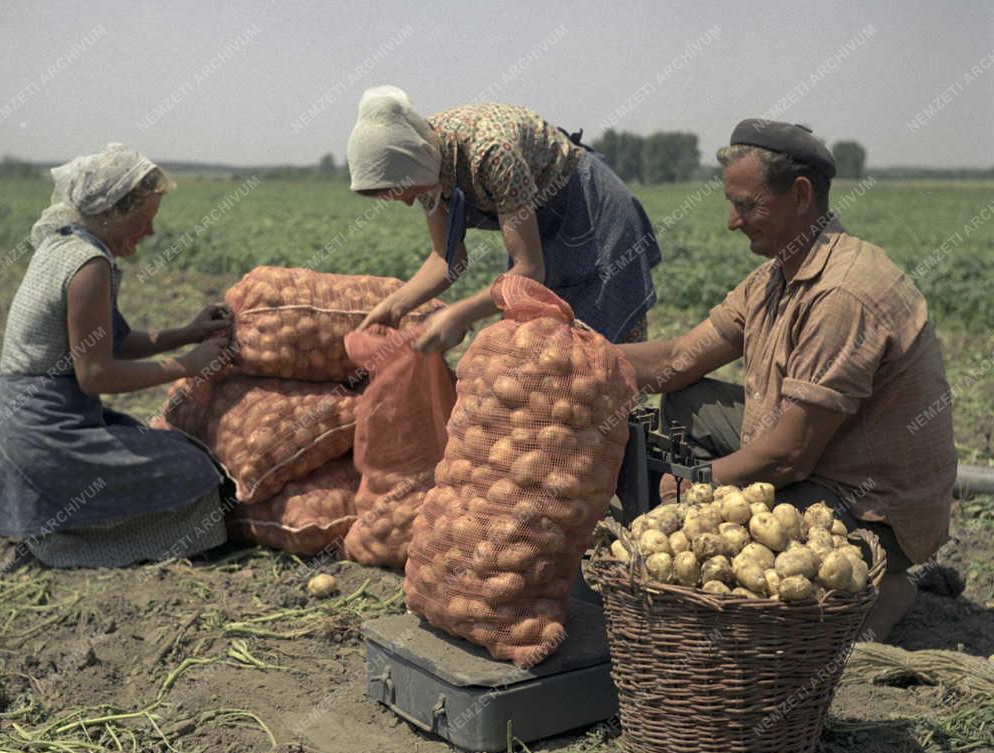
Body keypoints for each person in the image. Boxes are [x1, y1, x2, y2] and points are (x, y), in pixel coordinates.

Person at [617, 119, 957, 641]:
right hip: (817, 451)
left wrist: (700, 487)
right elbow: (682, 357)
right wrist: (581, 354)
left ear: (800, 196)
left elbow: (790, 455)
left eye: (747, 205)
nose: (733, 221)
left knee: (751, 561)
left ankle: (880, 587)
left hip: (871, 502)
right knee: (689, 398)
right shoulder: (777, 273)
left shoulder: (843, 293)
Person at [0, 143, 235, 569]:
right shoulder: (89, 264)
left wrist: (188, 333)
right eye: (144, 219)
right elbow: (95, 374)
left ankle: (52, 531)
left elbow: (111, 341)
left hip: (18, 433)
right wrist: (187, 365)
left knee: (173, 454)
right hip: (43, 440)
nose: (149, 232)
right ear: (112, 211)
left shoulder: (64, 246)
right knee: (195, 472)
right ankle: (60, 544)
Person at [346, 86, 661, 350]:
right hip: (541, 226)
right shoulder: (425, 164)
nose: (408, 201)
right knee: (531, 348)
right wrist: (396, 305)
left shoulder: (492, 152)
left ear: (420, 158)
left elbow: (529, 269)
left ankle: (624, 424)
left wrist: (461, 314)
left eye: (406, 190)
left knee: (599, 354)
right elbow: (446, 258)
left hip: (592, 217)